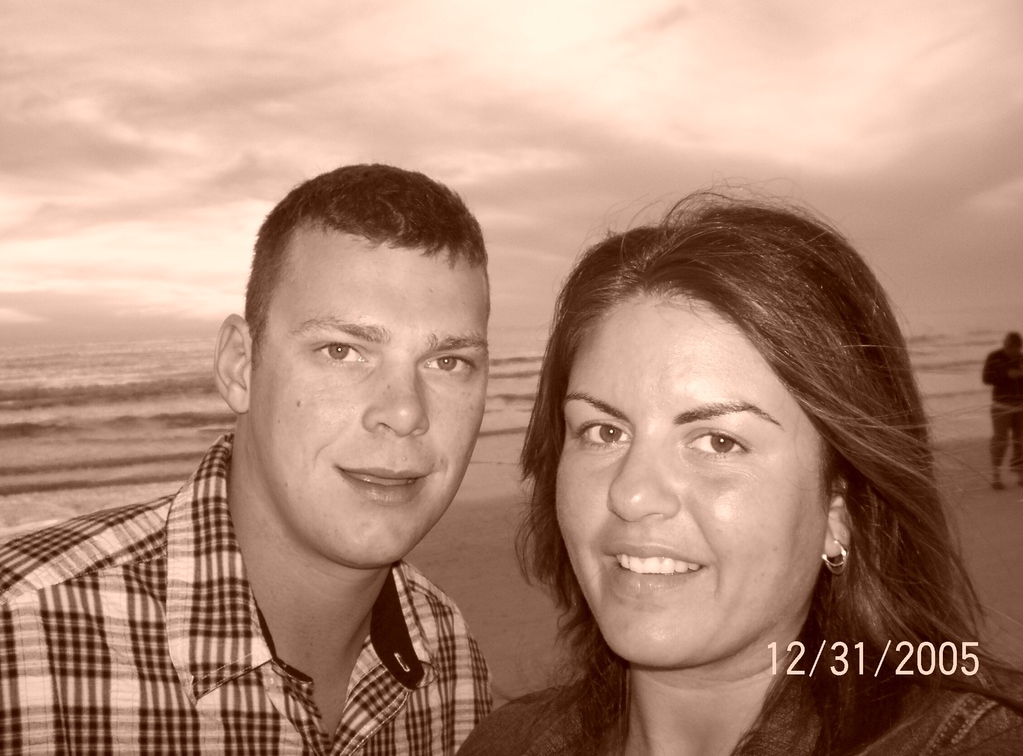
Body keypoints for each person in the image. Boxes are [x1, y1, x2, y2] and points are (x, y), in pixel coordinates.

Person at [459, 192, 1023, 755]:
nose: (631, 494)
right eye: (604, 432)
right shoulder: (504, 744)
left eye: (718, 441)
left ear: (840, 508)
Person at [0, 164, 493, 754]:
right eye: (342, 351)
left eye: (448, 363)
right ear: (240, 366)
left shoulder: (450, 660)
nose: (406, 412)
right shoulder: (21, 641)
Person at [982, 332, 1023, 490]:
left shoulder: (1021, 358)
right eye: (1009, 347)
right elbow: (986, 378)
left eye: (1015, 349)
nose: (1012, 351)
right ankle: (996, 475)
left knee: (1020, 440)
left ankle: (1020, 474)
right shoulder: (994, 357)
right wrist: (1006, 374)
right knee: (1000, 440)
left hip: (1020, 406)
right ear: (1006, 345)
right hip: (1001, 406)